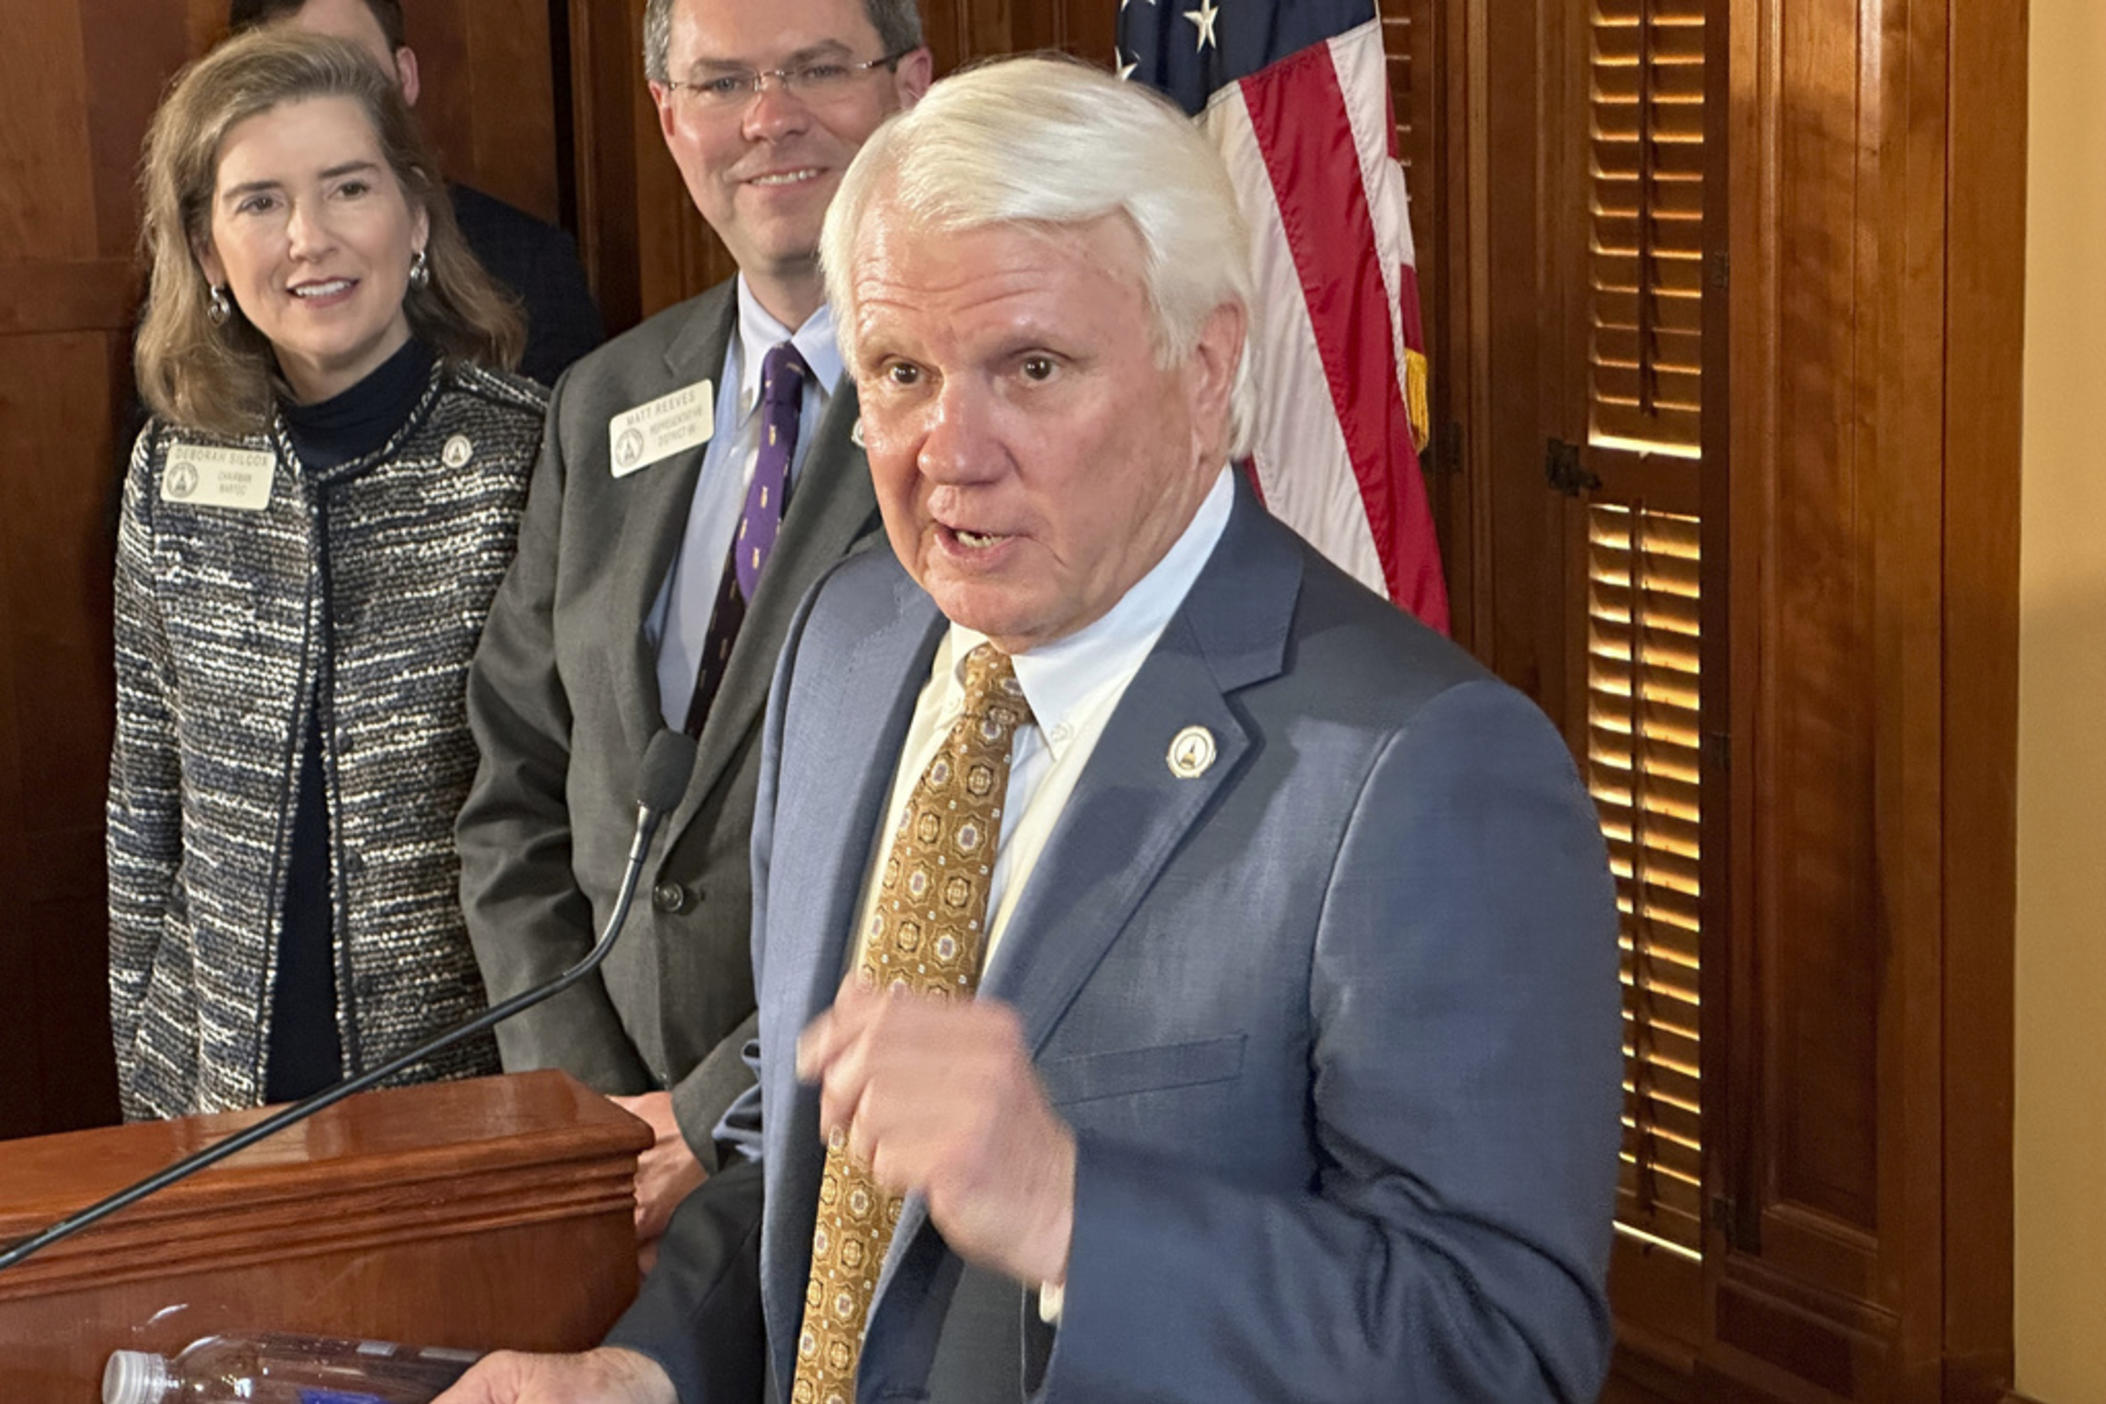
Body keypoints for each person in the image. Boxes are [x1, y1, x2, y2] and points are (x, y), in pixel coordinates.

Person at [438, 54, 1623, 1404]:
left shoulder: (1423, 770)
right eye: (898, 371)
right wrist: (645, 1371)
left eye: (1034, 366)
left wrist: (1074, 1214)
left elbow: (1496, 1350)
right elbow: (814, 1167)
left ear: (1205, 367)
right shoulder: (847, 642)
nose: (949, 448)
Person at [453, 0, 932, 1267]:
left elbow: (967, 831)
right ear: (670, 121)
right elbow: (515, 786)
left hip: (863, 1157)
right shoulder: (605, 400)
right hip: (606, 1167)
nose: (767, 119)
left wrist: (710, 1112)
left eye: (817, 69)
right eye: (721, 83)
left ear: (910, 86)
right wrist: (587, 1108)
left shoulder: (975, 417)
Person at [108, 29, 547, 1119]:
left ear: (414, 214)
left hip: (465, 1085)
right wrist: (145, 1086)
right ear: (208, 251)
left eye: (346, 187)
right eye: (258, 202)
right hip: (215, 1096)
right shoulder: (171, 469)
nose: (308, 239)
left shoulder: (533, 455)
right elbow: (145, 799)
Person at [230, 0, 604, 386]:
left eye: (351, 70)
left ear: (405, 76)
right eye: (287, 76)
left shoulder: (531, 267)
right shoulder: (185, 332)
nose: (321, 103)